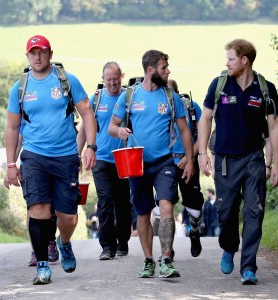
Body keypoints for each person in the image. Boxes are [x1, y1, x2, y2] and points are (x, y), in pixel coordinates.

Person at [5, 35, 97, 285]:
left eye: (42, 52)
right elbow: (12, 128)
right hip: (34, 156)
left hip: (66, 156)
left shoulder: (66, 80)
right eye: (33, 52)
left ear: (50, 53)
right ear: (27, 56)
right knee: (39, 211)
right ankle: (43, 265)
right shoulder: (20, 87)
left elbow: (87, 112)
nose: (37, 57)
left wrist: (91, 147)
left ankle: (64, 242)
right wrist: (11, 164)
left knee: (68, 216)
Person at [198, 39, 278, 285]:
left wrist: (275, 163)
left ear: (245, 60)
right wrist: (203, 152)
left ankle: (248, 267)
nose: (227, 63)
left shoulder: (265, 89)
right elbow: (206, 118)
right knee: (225, 212)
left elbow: (274, 127)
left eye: (231, 58)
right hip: (224, 160)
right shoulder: (219, 85)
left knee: (254, 211)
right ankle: (229, 246)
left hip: (254, 158)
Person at [108, 50, 194, 278]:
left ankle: (166, 258)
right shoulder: (129, 96)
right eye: (164, 67)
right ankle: (148, 260)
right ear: (150, 70)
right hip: (137, 164)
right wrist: (121, 130)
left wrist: (190, 159)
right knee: (144, 213)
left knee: (166, 207)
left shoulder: (170, 97)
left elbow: (184, 130)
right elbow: (112, 126)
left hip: (164, 162)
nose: (168, 71)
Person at [78, 62, 131, 260]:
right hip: (101, 157)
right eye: (108, 80)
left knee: (123, 202)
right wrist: (78, 153)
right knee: (106, 200)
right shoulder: (96, 99)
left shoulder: (129, 98)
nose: (112, 83)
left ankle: (123, 240)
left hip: (124, 158)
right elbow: (85, 128)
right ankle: (107, 246)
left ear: (121, 77)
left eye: (115, 79)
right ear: (103, 79)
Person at [3, 127, 59, 267]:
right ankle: (36, 249)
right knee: (33, 208)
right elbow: (18, 139)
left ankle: (51, 240)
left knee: (52, 208)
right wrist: (11, 166)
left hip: (56, 163)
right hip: (30, 166)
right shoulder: (25, 109)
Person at [168, 79, 204, 257]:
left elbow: (202, 134)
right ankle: (168, 247)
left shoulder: (191, 107)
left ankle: (194, 230)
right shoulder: (157, 108)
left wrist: (189, 157)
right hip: (165, 163)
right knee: (165, 204)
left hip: (188, 161)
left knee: (194, 204)